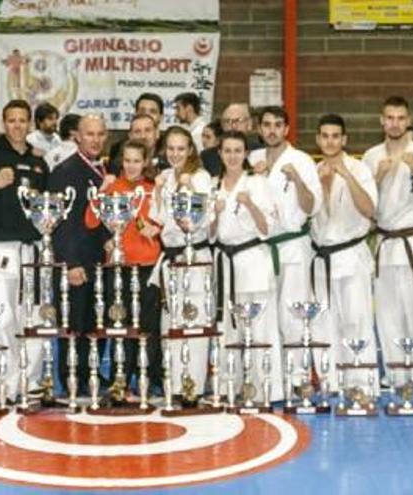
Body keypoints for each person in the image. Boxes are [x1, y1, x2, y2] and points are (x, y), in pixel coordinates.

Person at [362, 97, 413, 393]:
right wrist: (378, 177)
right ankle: (397, 377)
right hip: (385, 242)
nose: (395, 123)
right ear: (381, 121)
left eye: (400, 117)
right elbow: (365, 209)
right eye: (389, 117)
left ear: (409, 121)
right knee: (388, 314)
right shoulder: (370, 157)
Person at [0, 100, 49, 400]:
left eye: (22, 120)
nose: (17, 125)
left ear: (29, 124)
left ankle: (28, 382)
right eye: (12, 120)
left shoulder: (39, 163)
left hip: (30, 248)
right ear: (4, 123)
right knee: (1, 316)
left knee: (30, 316)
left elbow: (46, 209)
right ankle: (1, 381)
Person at [84, 139, 163, 395]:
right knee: (120, 324)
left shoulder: (152, 189)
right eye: (127, 160)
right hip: (118, 266)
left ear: (145, 162)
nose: (131, 166)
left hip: (147, 264)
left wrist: (156, 228)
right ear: (121, 161)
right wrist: (101, 191)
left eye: (136, 161)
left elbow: (164, 221)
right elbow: (91, 222)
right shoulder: (112, 186)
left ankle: (145, 380)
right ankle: (120, 380)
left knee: (147, 327)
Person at [212, 131, 282, 401]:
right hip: (226, 264)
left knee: (260, 328)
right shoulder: (213, 186)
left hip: (253, 261)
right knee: (229, 329)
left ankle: (265, 387)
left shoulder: (258, 183)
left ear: (245, 154)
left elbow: (268, 228)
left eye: (237, 150)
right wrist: (215, 216)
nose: (232, 156)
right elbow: (209, 235)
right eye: (227, 150)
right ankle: (230, 386)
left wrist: (250, 204)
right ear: (220, 154)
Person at [309, 114, 377, 389]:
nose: (330, 141)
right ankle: (330, 382)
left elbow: (370, 210)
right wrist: (324, 185)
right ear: (317, 139)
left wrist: (346, 176)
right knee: (324, 324)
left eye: (335, 136)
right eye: (324, 136)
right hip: (323, 258)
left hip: (351, 255)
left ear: (344, 139)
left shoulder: (359, 169)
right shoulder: (313, 172)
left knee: (356, 321)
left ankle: (362, 383)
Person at [248, 106, 321, 361]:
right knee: (265, 317)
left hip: (293, 246)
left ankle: (298, 379)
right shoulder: (252, 159)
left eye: (278, 125)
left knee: (294, 313)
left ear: (287, 129)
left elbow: (312, 207)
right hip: (260, 249)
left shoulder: (301, 160)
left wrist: (298, 180)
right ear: (259, 129)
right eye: (266, 125)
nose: (272, 130)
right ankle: (272, 381)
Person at [149, 126, 215, 397]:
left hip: (195, 256)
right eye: (171, 148)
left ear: (191, 150)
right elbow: (158, 218)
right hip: (171, 257)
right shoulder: (164, 176)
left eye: (181, 149)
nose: (175, 154)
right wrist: (157, 192)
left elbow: (202, 220)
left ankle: (193, 387)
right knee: (171, 324)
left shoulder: (200, 177)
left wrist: (188, 187)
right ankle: (173, 384)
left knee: (194, 320)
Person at [49, 114, 110, 393]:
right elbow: (59, 223)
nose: (95, 140)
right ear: (78, 137)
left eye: (100, 134)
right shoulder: (65, 171)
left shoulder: (105, 170)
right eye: (89, 134)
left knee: (96, 322)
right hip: (76, 262)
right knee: (74, 322)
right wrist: (70, 263)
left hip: (101, 260)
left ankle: (93, 372)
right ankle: (73, 376)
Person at [201, 103, 262, 177]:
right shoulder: (208, 156)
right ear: (222, 126)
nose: (233, 126)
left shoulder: (261, 151)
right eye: (227, 121)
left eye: (239, 120)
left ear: (249, 124)